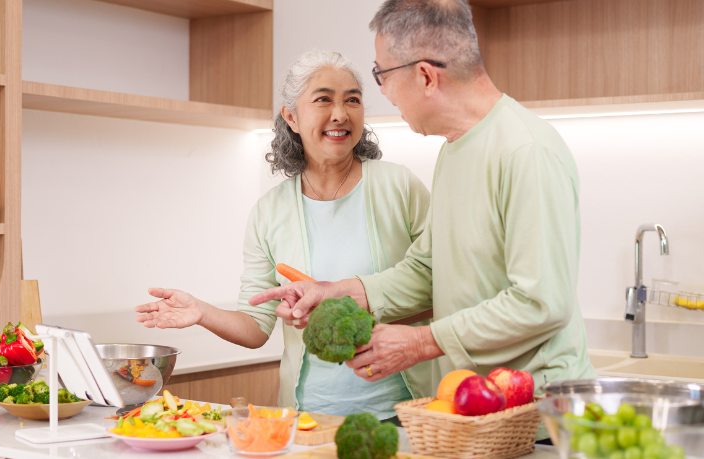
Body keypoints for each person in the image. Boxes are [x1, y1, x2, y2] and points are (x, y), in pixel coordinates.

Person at [250, 0, 597, 434]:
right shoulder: (454, 150)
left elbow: (540, 302)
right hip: (469, 408)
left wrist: (420, 341)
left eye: (382, 76)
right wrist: (337, 292)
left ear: (426, 76)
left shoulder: (526, 151)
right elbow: (426, 268)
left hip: (537, 414)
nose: (383, 95)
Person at [134, 50, 434, 421]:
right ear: (291, 117)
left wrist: (350, 309)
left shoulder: (400, 186)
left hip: (409, 411)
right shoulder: (269, 212)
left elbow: (443, 286)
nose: (340, 113)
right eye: (323, 99)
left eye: (352, 100)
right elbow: (256, 327)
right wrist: (201, 312)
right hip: (309, 416)